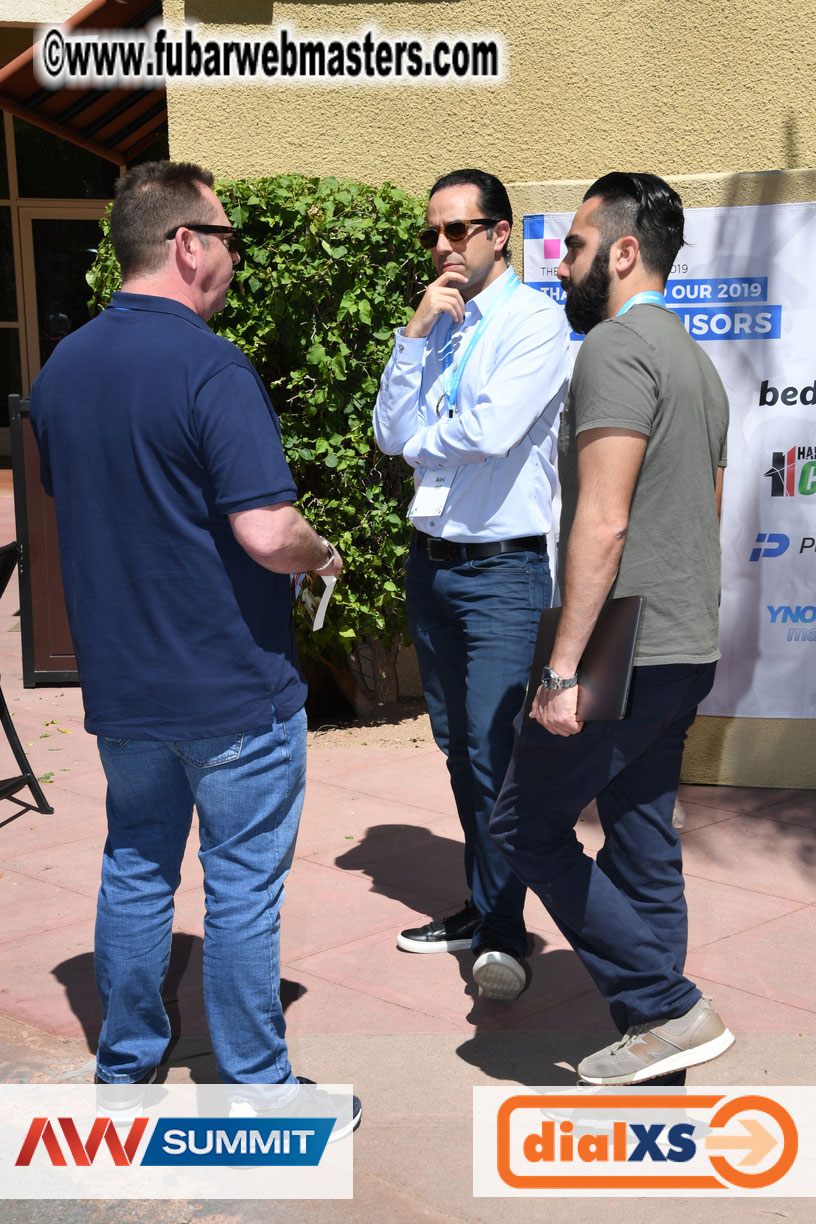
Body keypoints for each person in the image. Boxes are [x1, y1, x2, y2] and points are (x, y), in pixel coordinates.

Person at [30, 161, 358, 1122]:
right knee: (242, 887)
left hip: (124, 689)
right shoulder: (211, 365)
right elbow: (265, 531)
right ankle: (259, 1087)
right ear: (185, 245)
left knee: (136, 863)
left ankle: (127, 1065)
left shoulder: (61, 370)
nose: (233, 259)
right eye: (225, 239)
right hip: (229, 689)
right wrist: (323, 554)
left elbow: (93, 507)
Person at [490, 172, 734, 1082]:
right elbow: (705, 510)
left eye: (579, 245)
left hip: (622, 649)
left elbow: (604, 519)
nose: (562, 259)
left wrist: (561, 670)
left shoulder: (613, 352)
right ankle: (658, 1036)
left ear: (625, 252)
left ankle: (666, 1004)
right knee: (637, 827)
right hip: (684, 643)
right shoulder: (697, 363)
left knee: (525, 823)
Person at [373, 168, 570, 1000]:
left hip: (501, 571)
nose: (444, 247)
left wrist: (427, 434)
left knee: (495, 756)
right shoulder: (440, 326)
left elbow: (488, 431)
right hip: (434, 565)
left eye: (459, 230)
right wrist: (414, 337)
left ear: (501, 235)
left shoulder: (535, 323)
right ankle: (482, 904)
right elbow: (390, 431)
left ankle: (504, 933)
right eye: (433, 234)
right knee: (458, 750)